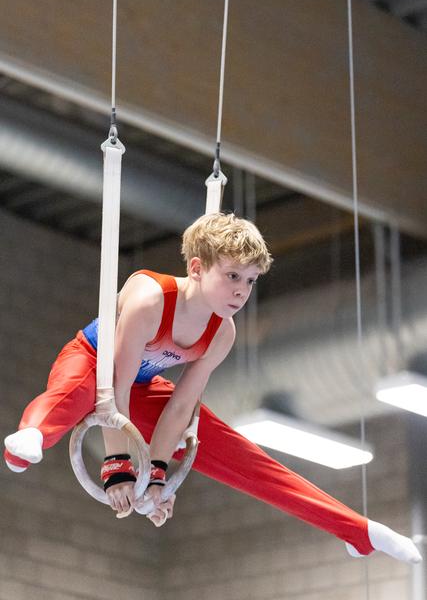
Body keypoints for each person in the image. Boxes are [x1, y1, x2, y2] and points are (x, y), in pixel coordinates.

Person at [3, 213, 421, 563]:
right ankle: (29, 437)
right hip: (95, 363)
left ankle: (355, 530)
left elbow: (182, 405)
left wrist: (158, 476)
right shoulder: (150, 299)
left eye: (252, 280)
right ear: (197, 268)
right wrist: (118, 466)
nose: (242, 290)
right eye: (233, 275)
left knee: (241, 455)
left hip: (145, 386)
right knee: (74, 392)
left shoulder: (223, 332)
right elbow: (113, 387)